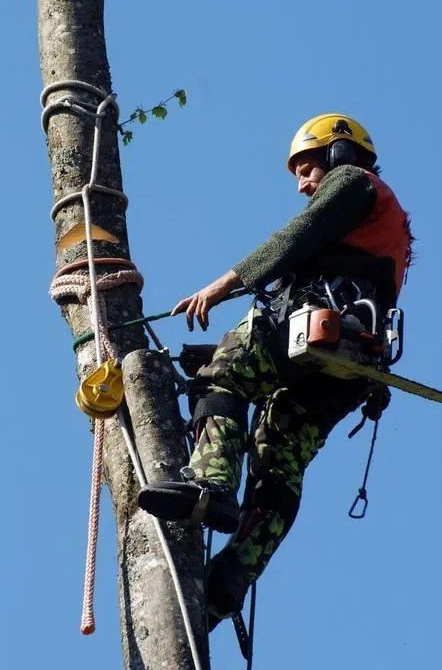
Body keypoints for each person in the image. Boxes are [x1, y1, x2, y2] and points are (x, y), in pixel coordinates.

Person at [138, 113, 413, 626]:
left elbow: (295, 237)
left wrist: (223, 285)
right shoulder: (389, 228)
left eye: (308, 168)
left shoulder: (354, 184)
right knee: (279, 457)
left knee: (224, 373)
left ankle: (211, 485)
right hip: (351, 367)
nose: (304, 184)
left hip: (316, 328)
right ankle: (232, 577)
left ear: (339, 154)